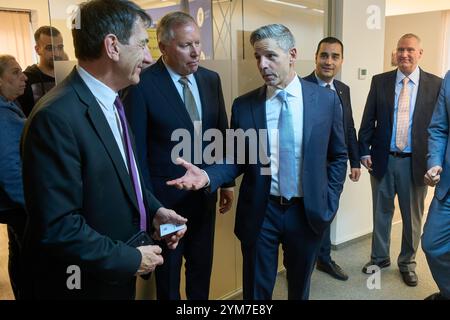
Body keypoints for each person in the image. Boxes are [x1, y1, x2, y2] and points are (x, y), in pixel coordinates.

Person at [167, 24, 348, 300]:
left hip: (307, 212)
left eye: (270, 56)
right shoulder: (245, 105)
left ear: (292, 55)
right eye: (257, 57)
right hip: (262, 213)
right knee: (255, 292)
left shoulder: (325, 100)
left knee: (299, 288)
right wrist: (207, 177)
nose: (262, 65)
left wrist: (330, 200)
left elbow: (337, 155)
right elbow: (237, 158)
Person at [20, 0, 187, 300]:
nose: (149, 58)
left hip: (112, 277)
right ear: (112, 46)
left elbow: (124, 179)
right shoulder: (56, 117)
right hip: (80, 285)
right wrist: (131, 259)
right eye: (141, 44)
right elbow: (58, 227)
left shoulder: (113, 102)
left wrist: (155, 211)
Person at [123, 11, 234, 300]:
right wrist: (151, 208)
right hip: (166, 204)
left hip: (205, 197)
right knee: (169, 278)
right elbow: (137, 157)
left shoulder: (211, 79)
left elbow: (220, 134)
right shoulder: (142, 85)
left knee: (201, 269)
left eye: (198, 43)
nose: (196, 51)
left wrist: (226, 183)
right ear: (163, 47)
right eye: (186, 45)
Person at [358, 33, 441, 287]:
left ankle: (407, 263)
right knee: (381, 213)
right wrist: (364, 150)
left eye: (410, 50)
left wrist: (435, 162)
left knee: (412, 217)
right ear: (396, 53)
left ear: (420, 53)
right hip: (383, 160)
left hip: (415, 163)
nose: (405, 54)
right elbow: (367, 120)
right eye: (401, 49)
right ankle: (380, 257)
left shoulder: (435, 85)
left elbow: (439, 127)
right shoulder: (380, 81)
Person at [303, 37, 360, 281]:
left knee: (328, 212)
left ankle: (323, 258)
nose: (329, 61)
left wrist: (354, 161)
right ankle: (300, 262)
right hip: (308, 167)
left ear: (341, 61)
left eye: (335, 56)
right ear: (315, 57)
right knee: (304, 216)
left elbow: (349, 127)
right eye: (324, 55)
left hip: (335, 165)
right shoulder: (301, 87)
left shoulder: (342, 89)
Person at [0, 54, 28, 299]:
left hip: (14, 207)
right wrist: (33, 206)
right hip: (19, 206)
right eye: (15, 73)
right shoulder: (3, 116)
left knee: (18, 254)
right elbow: (10, 171)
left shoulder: (10, 107)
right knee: (28, 260)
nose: (24, 77)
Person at [422, 70, 450, 300]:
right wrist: (435, 162)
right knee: (432, 244)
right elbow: (439, 128)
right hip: (448, 188)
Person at [17, 26, 65, 116]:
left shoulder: (67, 75)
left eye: (60, 47)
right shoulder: (26, 79)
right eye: (50, 48)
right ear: (37, 49)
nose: (57, 53)